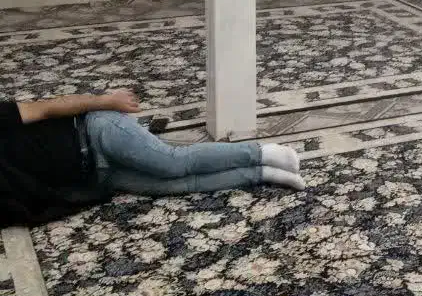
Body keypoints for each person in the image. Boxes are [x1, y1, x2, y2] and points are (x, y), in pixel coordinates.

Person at [0, 89, 304, 229]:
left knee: (172, 163)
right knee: (180, 185)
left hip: (95, 132)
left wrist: (104, 100)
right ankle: (264, 173)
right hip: (98, 177)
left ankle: (264, 152)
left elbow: (47, 108)